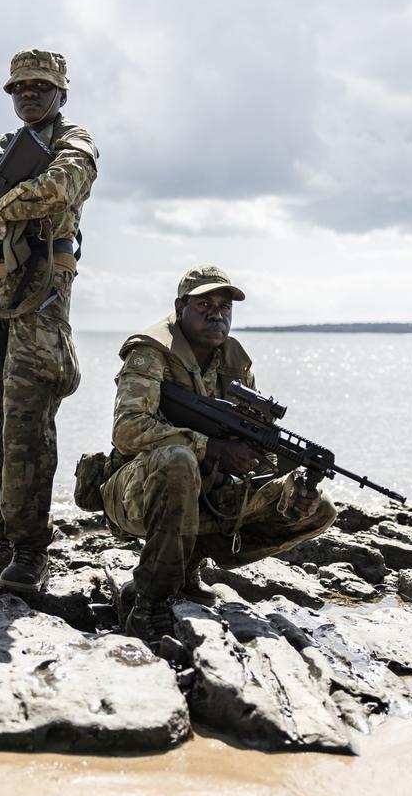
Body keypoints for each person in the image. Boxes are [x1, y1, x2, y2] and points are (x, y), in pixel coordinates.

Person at [101, 265, 336, 643]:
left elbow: (259, 451)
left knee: (320, 507)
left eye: (225, 306)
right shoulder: (151, 352)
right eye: (204, 304)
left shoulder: (235, 360)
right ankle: (148, 602)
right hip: (136, 492)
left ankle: (187, 567)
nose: (217, 313)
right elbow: (126, 430)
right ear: (181, 307)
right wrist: (211, 447)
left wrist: (288, 482)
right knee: (178, 459)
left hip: (207, 494)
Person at [0, 49, 98, 592]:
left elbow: (60, 188)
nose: (27, 94)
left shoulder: (73, 144)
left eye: (39, 85)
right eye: (18, 88)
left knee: (26, 428)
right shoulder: (5, 152)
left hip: (39, 305)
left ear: (61, 92)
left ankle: (32, 553)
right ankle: (3, 541)